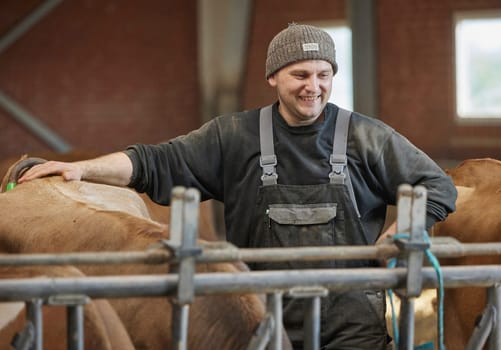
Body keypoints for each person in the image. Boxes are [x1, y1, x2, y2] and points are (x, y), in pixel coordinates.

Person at [19, 24, 457, 349]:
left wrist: (406, 230)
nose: (314, 86)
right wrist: (83, 170)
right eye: (300, 74)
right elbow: (156, 162)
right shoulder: (234, 136)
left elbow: (436, 185)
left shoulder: (366, 136)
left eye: (324, 74)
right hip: (263, 324)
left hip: (353, 329)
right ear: (273, 78)